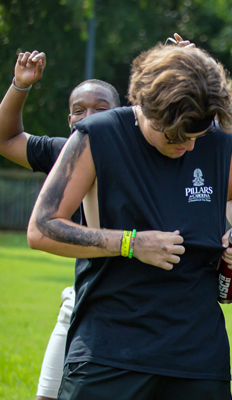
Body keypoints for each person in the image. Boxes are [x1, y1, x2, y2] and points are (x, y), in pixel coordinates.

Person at [27, 42, 232, 400]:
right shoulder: (97, 136)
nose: (190, 147)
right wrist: (130, 243)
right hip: (110, 347)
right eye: (176, 138)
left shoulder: (218, 140)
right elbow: (41, 228)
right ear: (146, 108)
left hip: (197, 353)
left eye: (197, 137)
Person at [0, 50, 121, 400]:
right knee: (47, 395)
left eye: (101, 109)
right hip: (83, 298)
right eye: (80, 110)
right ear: (70, 120)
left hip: (135, 302)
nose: (90, 116)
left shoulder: (145, 154)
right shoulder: (66, 152)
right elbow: (6, 140)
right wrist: (20, 86)